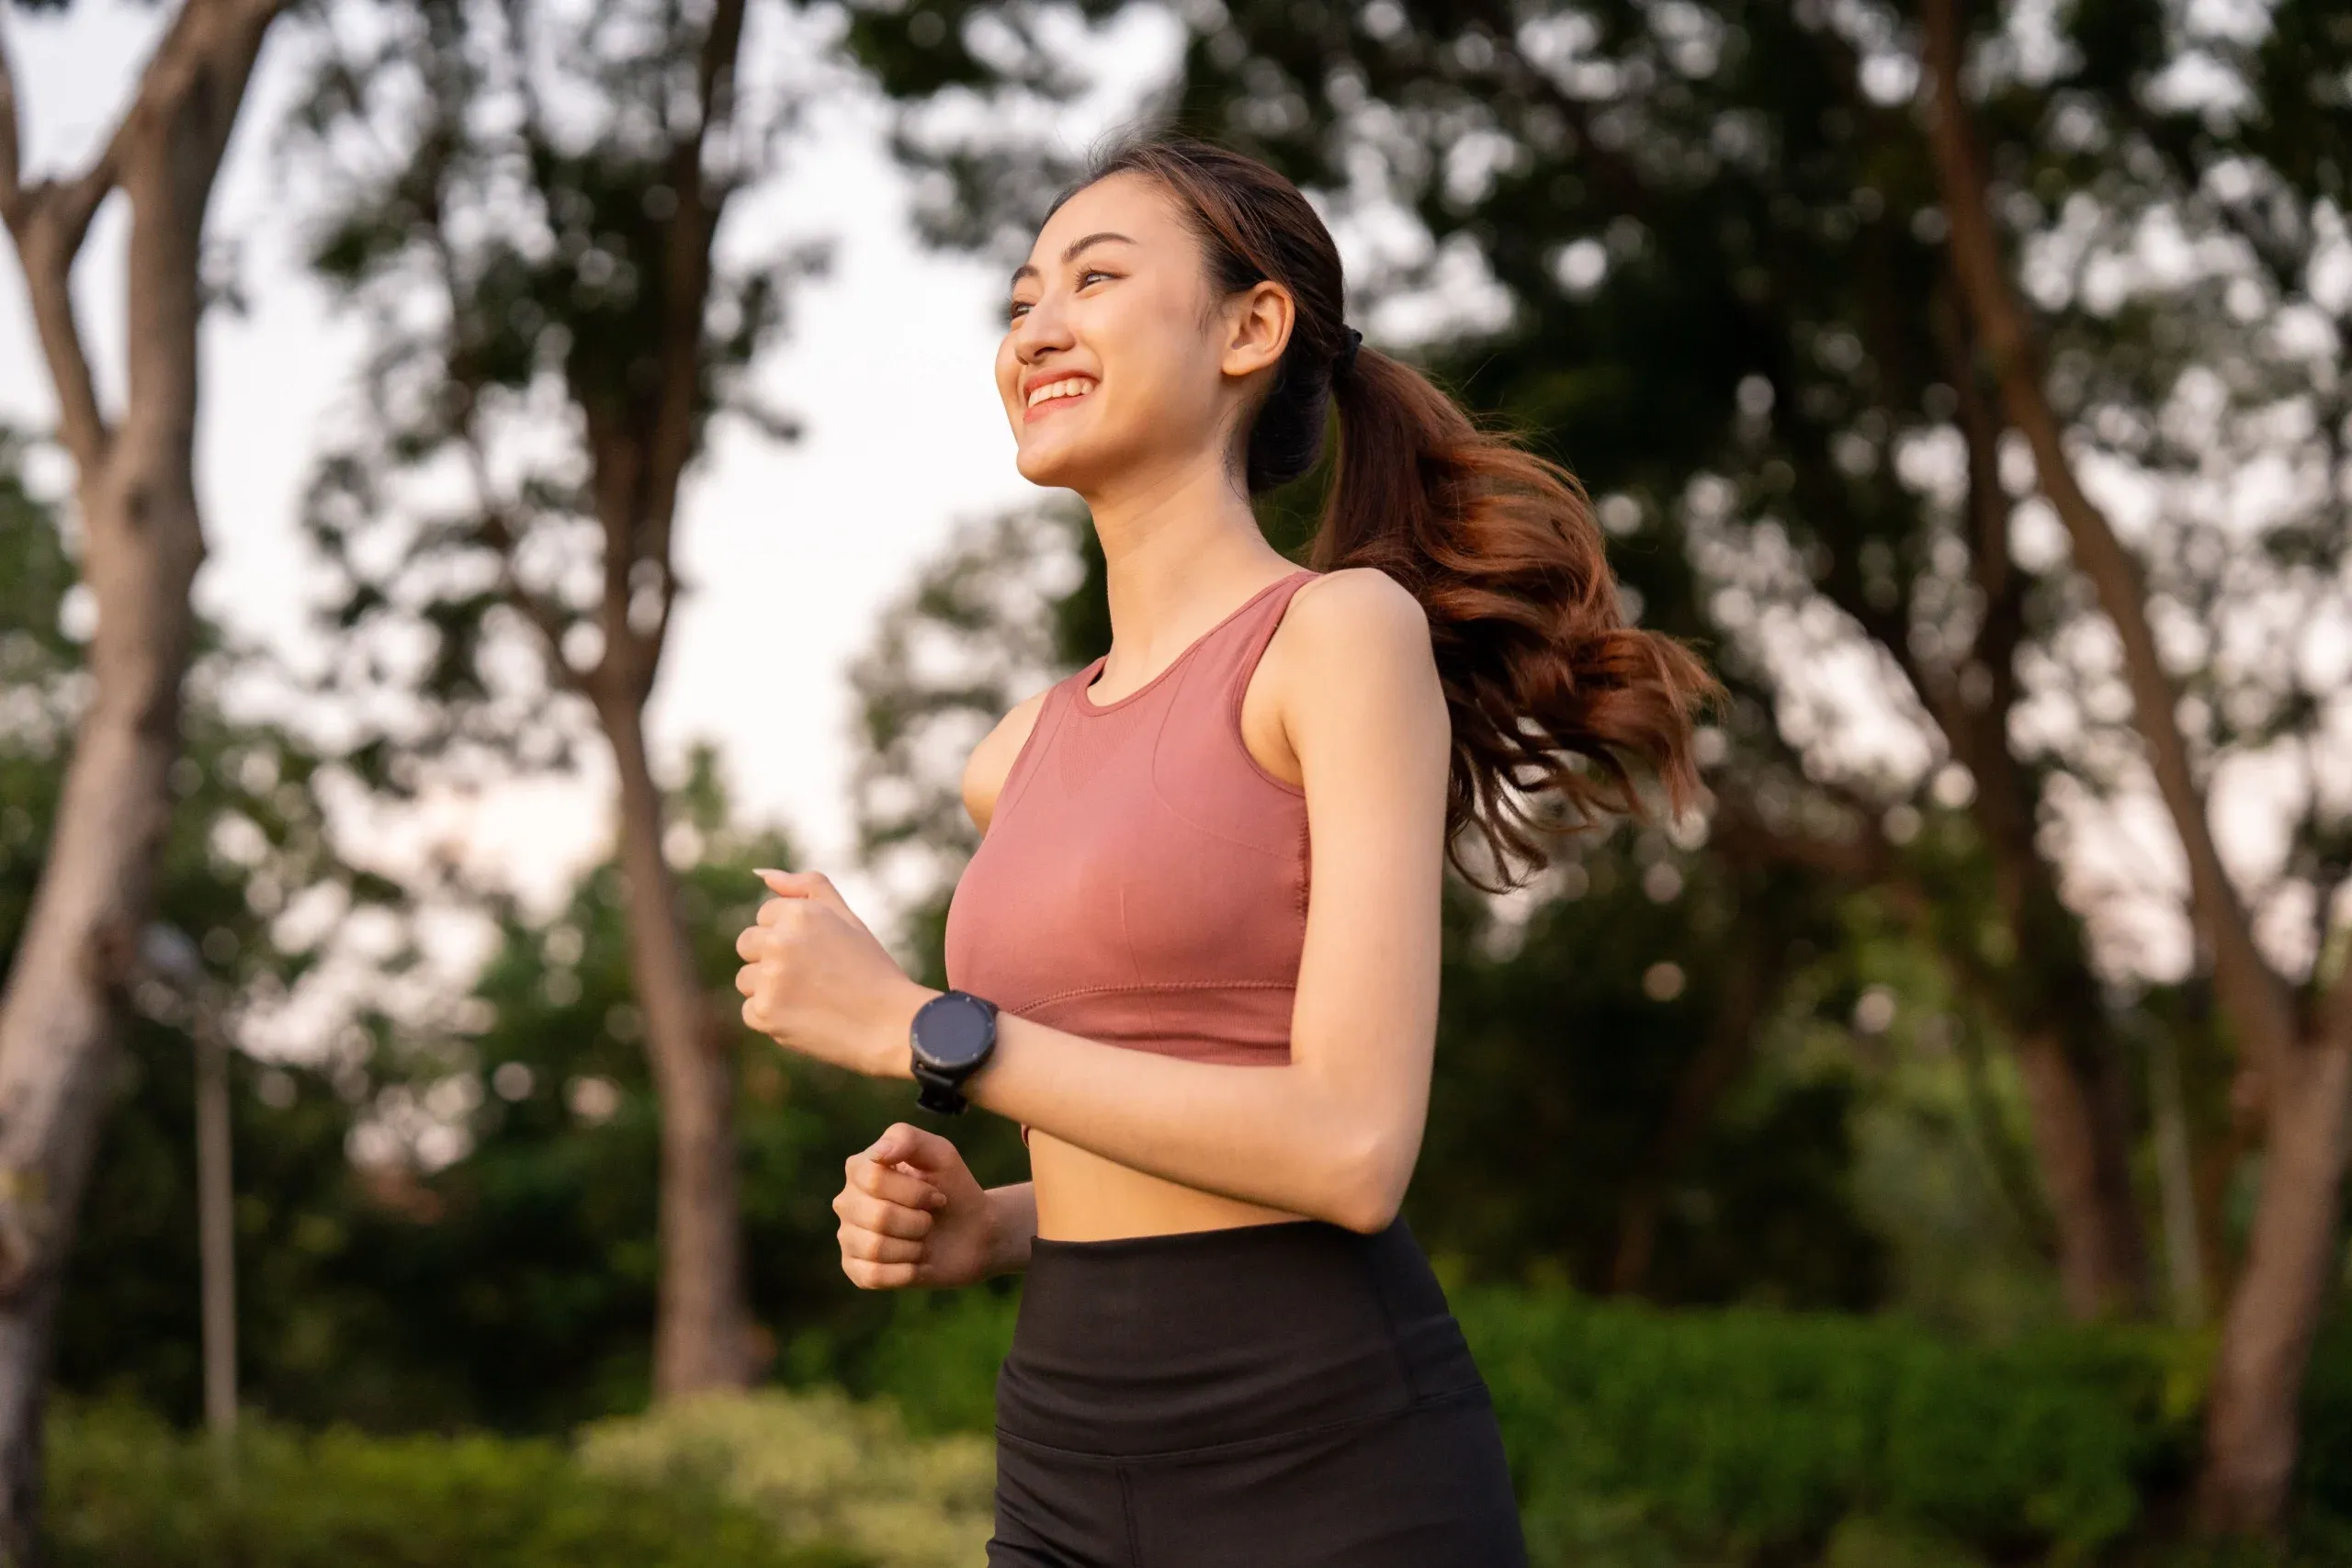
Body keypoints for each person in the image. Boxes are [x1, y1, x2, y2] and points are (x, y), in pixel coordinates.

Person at [732, 128, 1718, 1568]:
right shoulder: (1011, 757)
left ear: (1252, 326)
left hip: (1331, 1457)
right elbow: (1155, 1126)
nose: (1036, 328)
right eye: (1019, 301)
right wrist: (997, 1224)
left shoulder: (1338, 637)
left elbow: (1351, 1146)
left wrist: (923, 1030)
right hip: (1066, 1456)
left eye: (1095, 278)